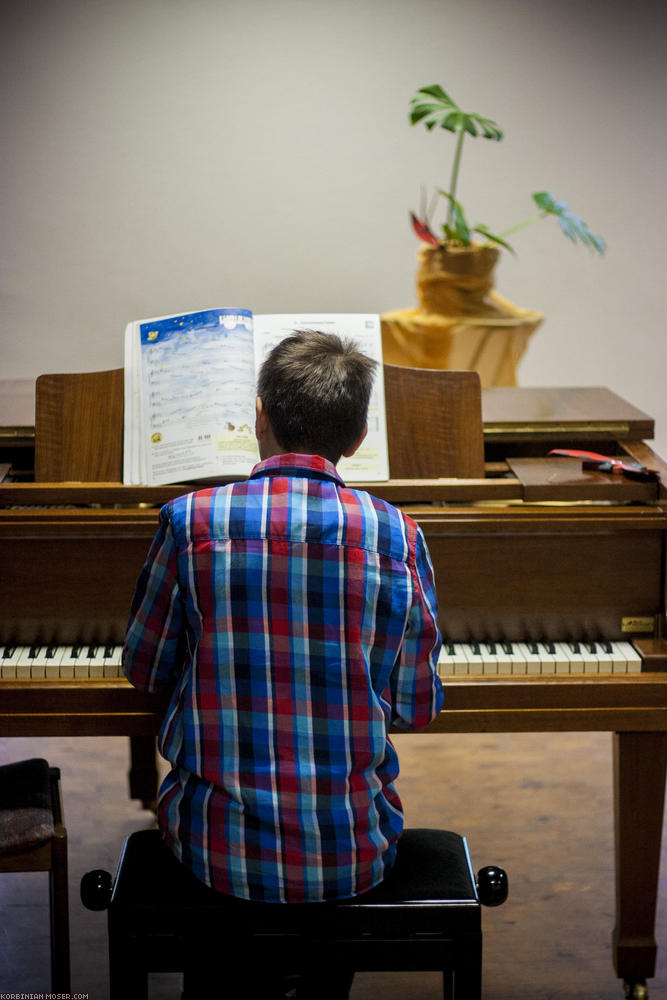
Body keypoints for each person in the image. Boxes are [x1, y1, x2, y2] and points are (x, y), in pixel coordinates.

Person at [122, 329, 444, 996]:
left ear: (259, 417)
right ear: (357, 439)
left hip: (213, 848)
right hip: (350, 850)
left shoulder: (188, 520)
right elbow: (416, 706)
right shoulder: (397, 535)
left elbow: (145, 670)